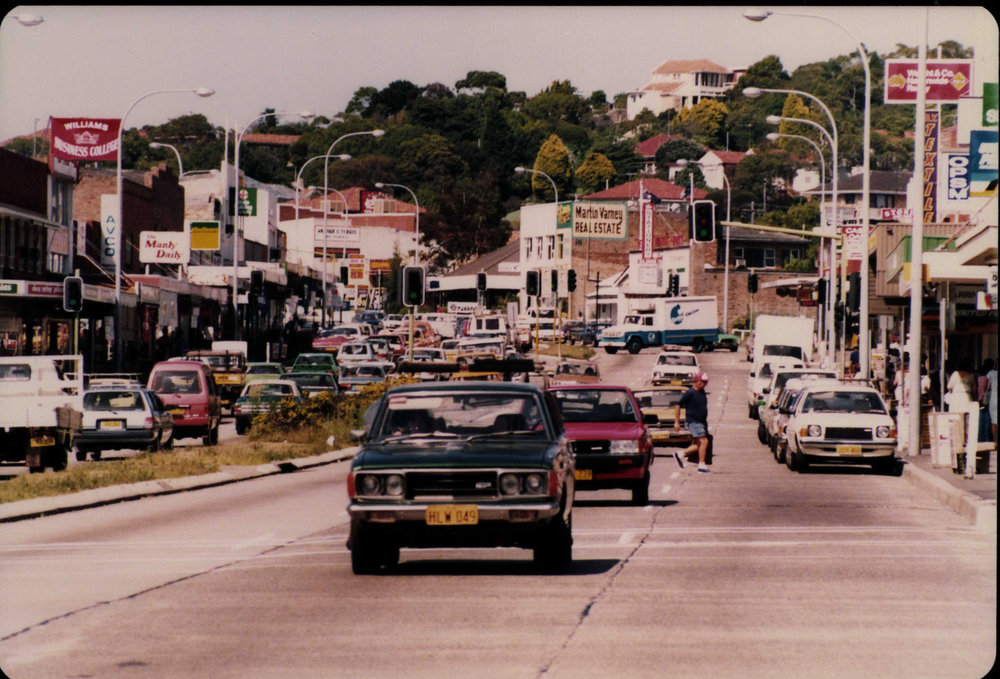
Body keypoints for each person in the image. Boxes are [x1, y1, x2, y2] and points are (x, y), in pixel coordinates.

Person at [674, 371, 711, 473]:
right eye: (704, 382)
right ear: (698, 381)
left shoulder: (701, 392)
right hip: (693, 421)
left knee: (699, 444)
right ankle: (702, 465)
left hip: (701, 421)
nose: (705, 384)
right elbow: (678, 405)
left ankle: (680, 454)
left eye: (706, 382)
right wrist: (676, 422)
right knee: (704, 441)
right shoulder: (690, 392)